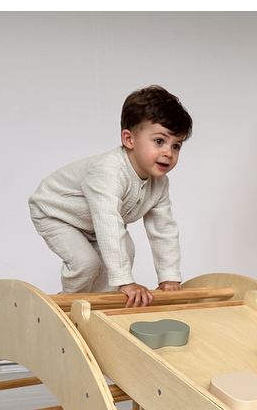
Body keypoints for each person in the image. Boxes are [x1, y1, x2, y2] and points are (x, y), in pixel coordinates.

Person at [28, 85, 192, 308]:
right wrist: (126, 281)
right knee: (86, 264)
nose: (168, 153)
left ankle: (100, 308)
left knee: (126, 251)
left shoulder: (159, 184)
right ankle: (65, 307)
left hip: (91, 223)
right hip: (56, 213)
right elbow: (108, 222)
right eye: (159, 141)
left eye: (176, 146)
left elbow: (163, 229)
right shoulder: (109, 172)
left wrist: (169, 276)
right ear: (129, 139)